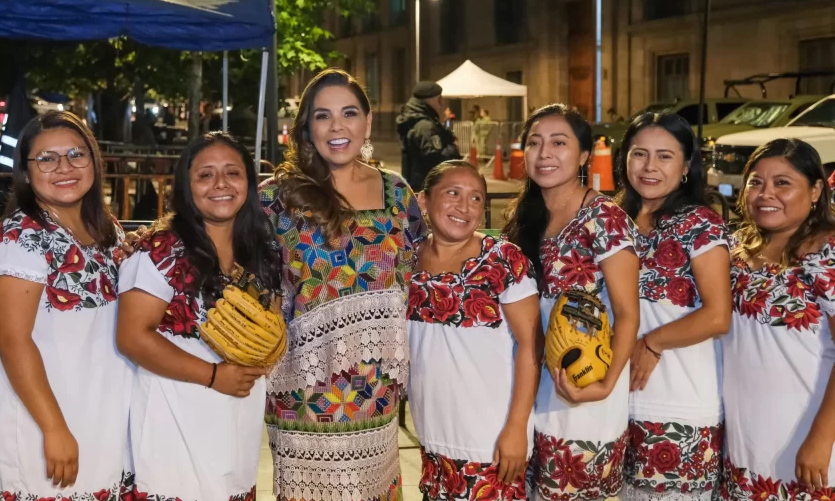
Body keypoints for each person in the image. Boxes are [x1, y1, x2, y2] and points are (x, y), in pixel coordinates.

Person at [259, 68, 427, 501]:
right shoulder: (275, 198)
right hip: (303, 396)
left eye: (349, 113)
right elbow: (227, 258)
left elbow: (420, 273)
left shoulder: (398, 195)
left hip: (377, 395)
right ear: (306, 128)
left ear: (367, 123)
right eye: (322, 115)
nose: (337, 126)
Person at [116, 132, 281, 500]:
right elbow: (132, 336)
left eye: (232, 173)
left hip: (234, 429)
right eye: (205, 175)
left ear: (249, 184)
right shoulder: (162, 248)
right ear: (187, 187)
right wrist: (213, 376)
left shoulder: (259, 247)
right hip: (175, 433)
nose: (220, 184)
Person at [0, 111, 131, 499]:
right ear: (26, 171)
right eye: (46, 159)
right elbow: (12, 341)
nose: (64, 167)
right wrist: (53, 428)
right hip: (44, 422)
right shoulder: (20, 239)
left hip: (100, 414)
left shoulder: (107, 229)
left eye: (76, 154)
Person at [502, 103, 639, 501]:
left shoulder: (604, 217)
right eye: (534, 142)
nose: (544, 154)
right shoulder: (524, 215)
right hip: (529, 386)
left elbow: (629, 315)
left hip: (584, 391)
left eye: (558, 143)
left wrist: (606, 385)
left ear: (583, 155)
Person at [407, 160, 542, 500]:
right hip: (434, 439)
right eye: (452, 193)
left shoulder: (502, 260)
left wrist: (516, 429)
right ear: (424, 201)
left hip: (491, 443)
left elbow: (532, 346)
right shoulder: (405, 260)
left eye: (476, 198)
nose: (464, 207)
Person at [616, 114, 731, 500]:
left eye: (664, 156)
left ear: (685, 167)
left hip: (679, 408)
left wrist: (652, 342)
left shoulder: (700, 224)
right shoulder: (615, 222)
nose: (650, 166)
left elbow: (718, 314)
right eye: (639, 154)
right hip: (619, 407)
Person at [723, 138, 835, 500]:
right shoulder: (735, 250)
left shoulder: (827, 252)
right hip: (743, 444)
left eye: (782, 183)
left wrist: (820, 440)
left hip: (808, 444)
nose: (765, 193)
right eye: (756, 182)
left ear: (816, 189)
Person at [397, 81, 461, 191]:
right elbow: (435, 159)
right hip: (425, 187)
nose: (441, 103)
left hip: (417, 185)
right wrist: (453, 147)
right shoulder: (425, 126)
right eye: (438, 99)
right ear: (430, 100)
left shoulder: (415, 121)